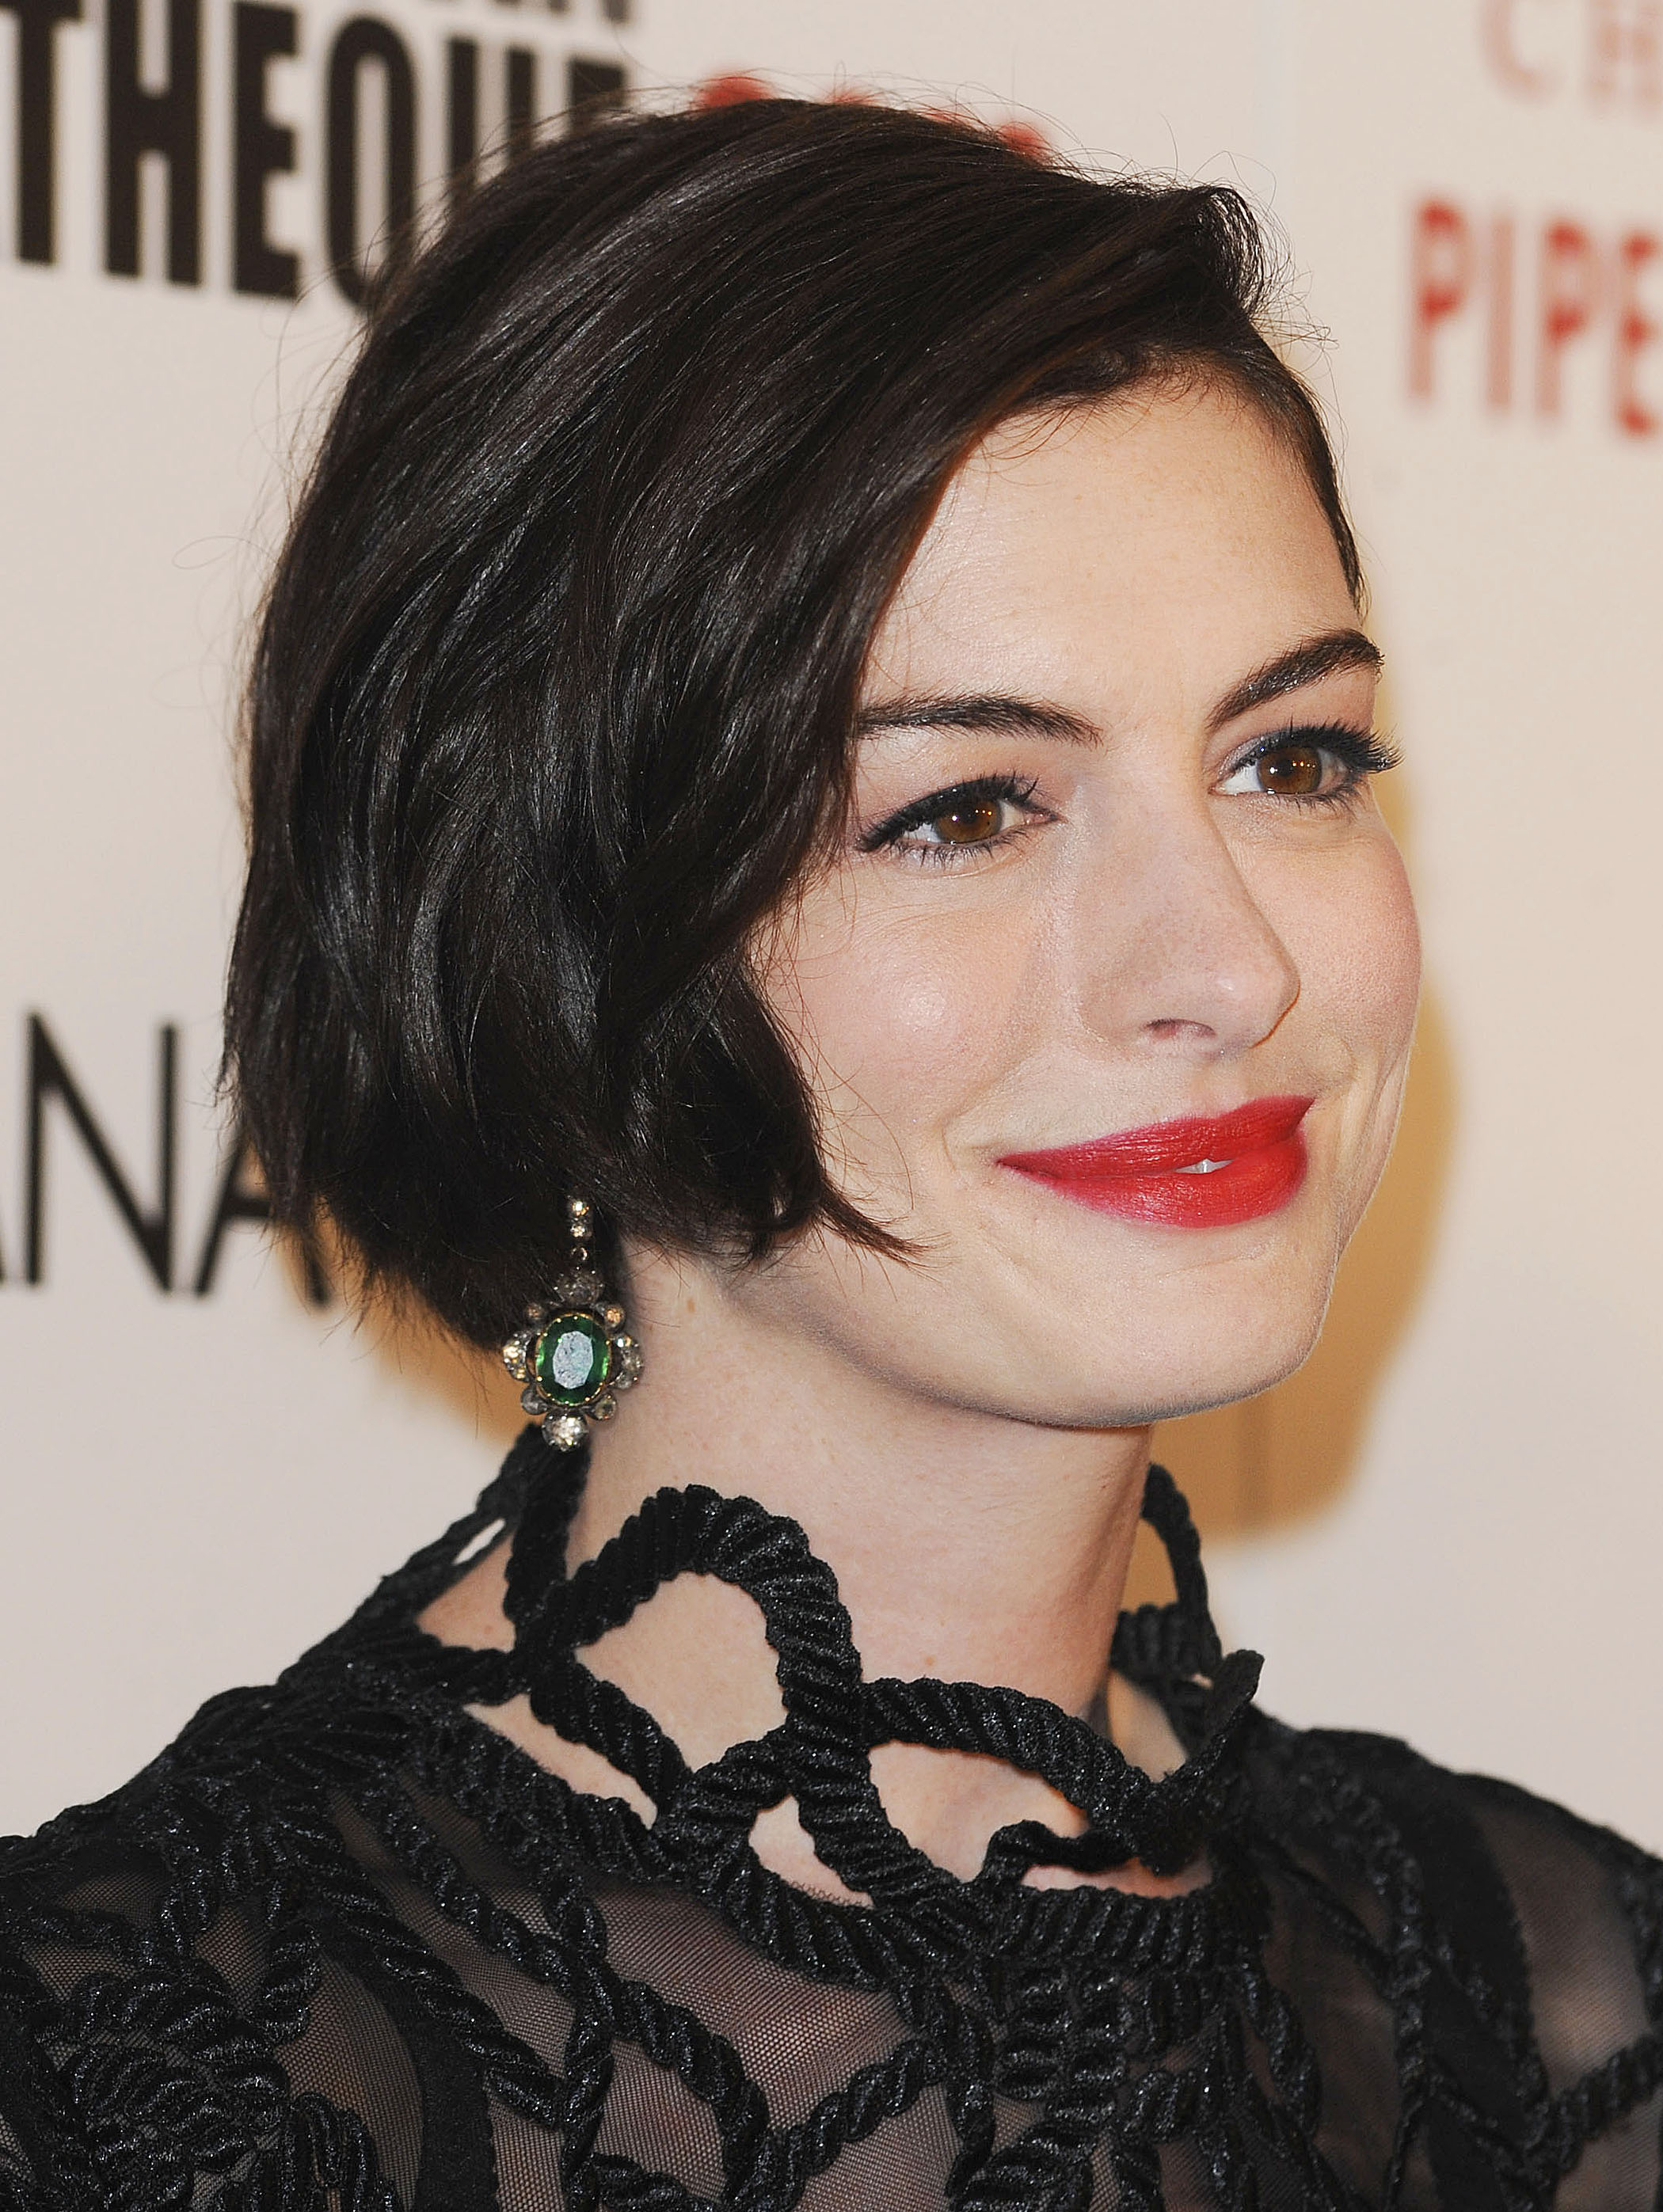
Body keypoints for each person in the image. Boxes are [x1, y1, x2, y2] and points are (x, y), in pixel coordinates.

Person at [2, 95, 1657, 2212]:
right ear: (567, 935)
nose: (1227, 965)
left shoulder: (1557, 2026)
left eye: (1291, 758)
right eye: (967, 808)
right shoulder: (127, 2085)